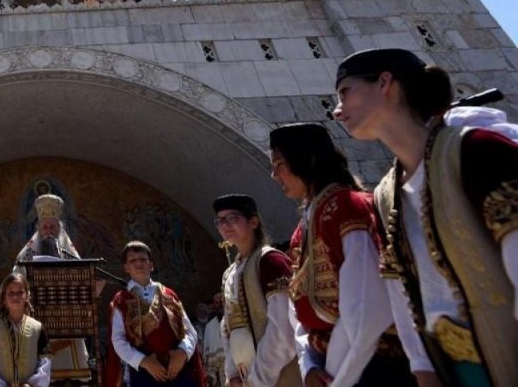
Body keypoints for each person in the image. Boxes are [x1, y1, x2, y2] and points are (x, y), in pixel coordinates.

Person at [334, 48, 518, 386]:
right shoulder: (386, 194)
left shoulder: (476, 150)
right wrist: (422, 365)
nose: (336, 110)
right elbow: (401, 288)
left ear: (384, 83)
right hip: (455, 366)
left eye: (345, 92)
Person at [268, 123, 430, 387]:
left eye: (279, 164)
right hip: (325, 365)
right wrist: (308, 364)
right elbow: (297, 306)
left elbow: (368, 307)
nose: (274, 174)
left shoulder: (346, 207)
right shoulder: (303, 228)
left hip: (369, 364)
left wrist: (338, 376)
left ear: (307, 160)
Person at [212, 194, 301, 387]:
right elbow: (228, 327)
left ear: (253, 222)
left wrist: (258, 378)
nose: (224, 225)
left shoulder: (270, 261)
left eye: (232, 218)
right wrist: (233, 373)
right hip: (247, 376)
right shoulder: (230, 273)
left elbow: (284, 327)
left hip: (280, 375)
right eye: (219, 221)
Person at [105, 241, 206, 387]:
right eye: (133, 260)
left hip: (178, 370)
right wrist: (143, 361)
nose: (138, 264)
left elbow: (190, 331)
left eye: (143, 259)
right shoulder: (121, 300)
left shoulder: (169, 295)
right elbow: (118, 340)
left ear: (151, 265)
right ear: (126, 267)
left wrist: (182, 352)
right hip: (144, 372)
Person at [14, 193, 91, 382]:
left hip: (67, 325)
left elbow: (83, 279)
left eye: (52, 227)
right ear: (38, 229)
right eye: (45, 227)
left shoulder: (69, 253)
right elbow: (14, 280)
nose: (48, 231)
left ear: (59, 229)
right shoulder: (26, 255)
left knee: (70, 381)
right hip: (36, 322)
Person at [0, 272, 51, 387]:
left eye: (20, 292)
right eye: (11, 293)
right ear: (4, 297)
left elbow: (45, 364)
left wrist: (32, 384)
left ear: (27, 296)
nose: (15, 297)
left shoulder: (37, 329)